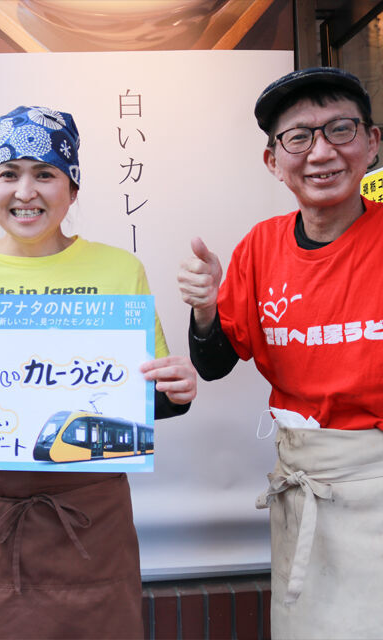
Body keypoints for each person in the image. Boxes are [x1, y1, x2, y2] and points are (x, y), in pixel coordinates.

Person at [0, 105, 197, 639]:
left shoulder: (119, 270)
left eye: (45, 174)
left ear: (72, 189)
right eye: (8, 174)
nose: (25, 191)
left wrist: (177, 388)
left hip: (89, 516)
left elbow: (148, 399)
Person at [178, 67, 383, 639]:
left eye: (340, 129)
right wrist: (204, 309)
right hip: (304, 484)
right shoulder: (261, 247)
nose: (321, 152)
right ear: (273, 161)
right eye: (299, 137)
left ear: (372, 143)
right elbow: (214, 364)